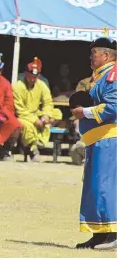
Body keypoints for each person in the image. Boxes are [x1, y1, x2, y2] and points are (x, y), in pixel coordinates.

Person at [71, 37, 117, 250]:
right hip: (96, 139)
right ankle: (99, 234)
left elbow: (114, 107)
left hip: (109, 138)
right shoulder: (101, 75)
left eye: (94, 52)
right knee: (94, 187)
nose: (90, 56)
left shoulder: (113, 75)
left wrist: (84, 112)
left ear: (107, 55)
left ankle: (112, 234)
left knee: (105, 186)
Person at [13, 57, 62, 162]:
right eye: (30, 76)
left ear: (38, 76)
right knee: (27, 125)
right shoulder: (18, 87)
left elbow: (48, 102)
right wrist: (35, 120)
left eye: (35, 77)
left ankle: (45, 126)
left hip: (37, 113)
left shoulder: (41, 84)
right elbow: (20, 109)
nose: (32, 79)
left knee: (58, 113)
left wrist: (45, 115)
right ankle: (33, 149)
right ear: (26, 74)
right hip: (23, 115)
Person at [69, 75, 94, 166]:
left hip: (103, 116)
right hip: (85, 115)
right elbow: (77, 100)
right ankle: (84, 150)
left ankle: (88, 152)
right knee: (75, 149)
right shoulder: (84, 83)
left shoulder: (112, 81)